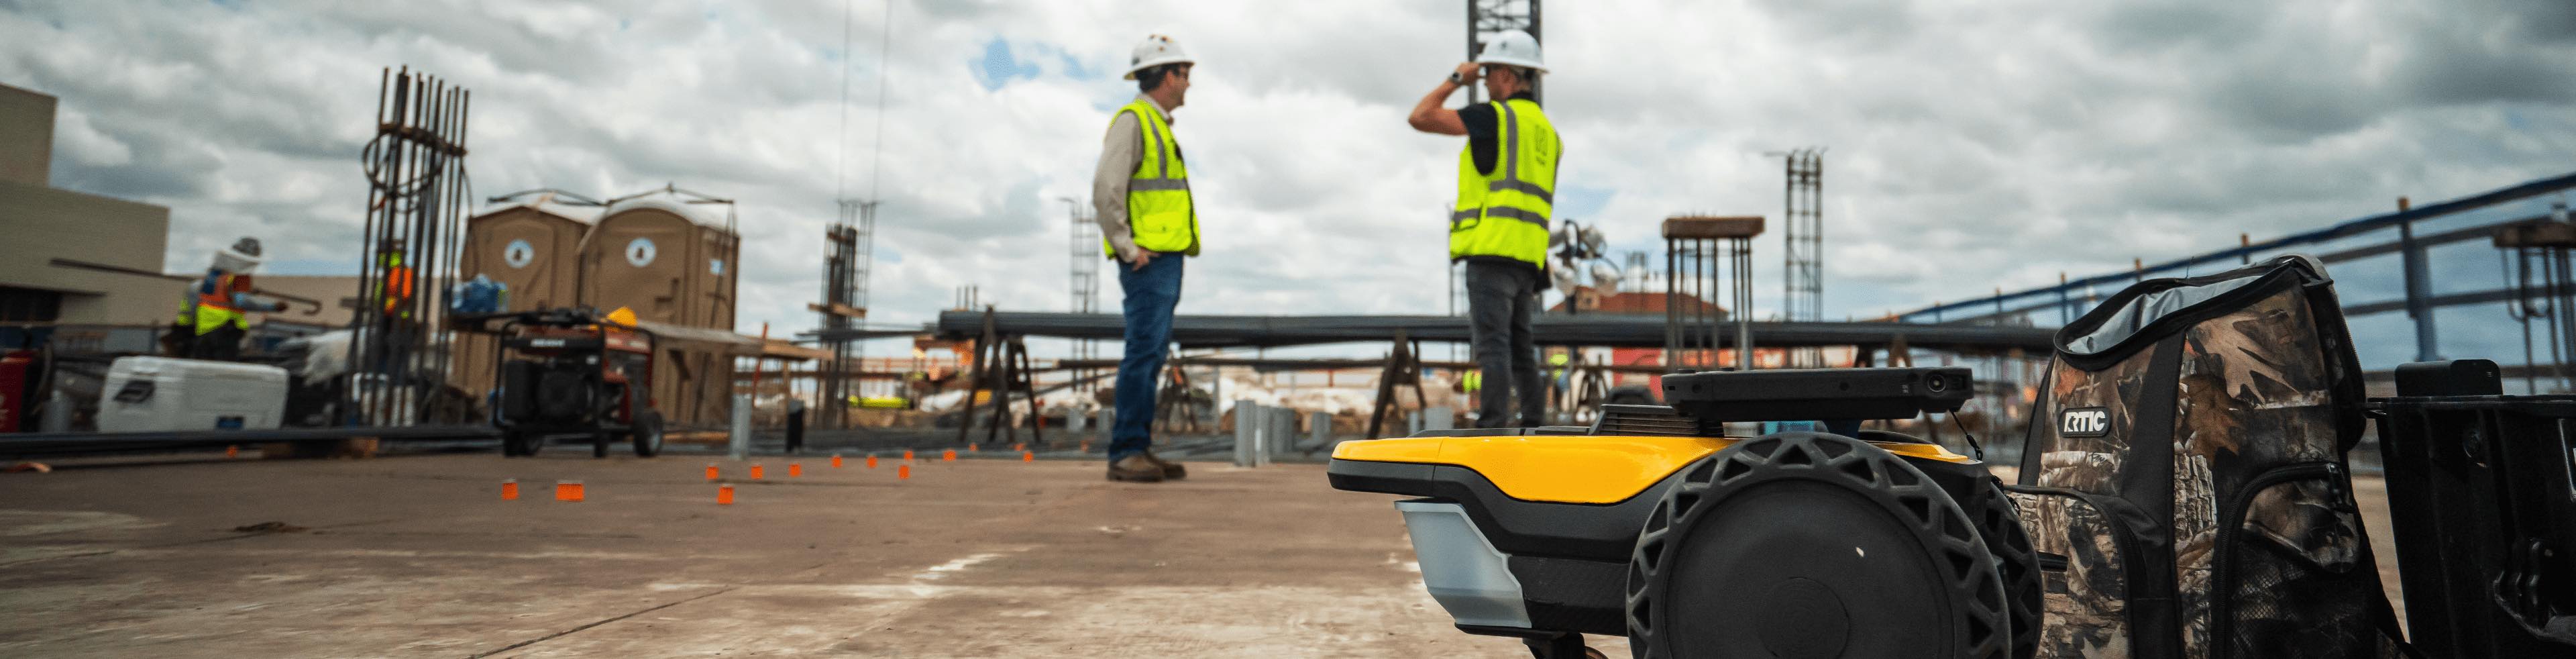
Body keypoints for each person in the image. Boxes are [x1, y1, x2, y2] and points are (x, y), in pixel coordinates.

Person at [1407, 30, 1559, 429]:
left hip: (1492, 251)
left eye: (1489, 73)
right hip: (1528, 259)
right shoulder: (1548, 133)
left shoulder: (1496, 117)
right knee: (1523, 350)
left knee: (1494, 348)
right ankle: (1535, 426)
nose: (1486, 81)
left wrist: (1457, 80)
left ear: (1507, 75)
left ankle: (1492, 428)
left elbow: (1419, 117)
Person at [1093, 34, 1200, 483]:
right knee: (1143, 353)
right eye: (1185, 74)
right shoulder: (1134, 121)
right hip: (1148, 260)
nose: (1189, 84)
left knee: (1152, 353)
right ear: (1166, 76)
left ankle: (1138, 445)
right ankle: (1127, 450)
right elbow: (1105, 188)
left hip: (1163, 257)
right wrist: (1127, 246)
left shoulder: (1154, 123)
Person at [180, 237, 286, 361]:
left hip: (204, 332)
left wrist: (185, 327)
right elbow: (241, 302)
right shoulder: (241, 277)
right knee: (224, 373)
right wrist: (273, 307)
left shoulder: (213, 276)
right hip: (226, 332)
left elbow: (198, 303)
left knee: (205, 372)